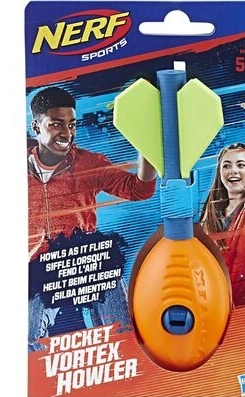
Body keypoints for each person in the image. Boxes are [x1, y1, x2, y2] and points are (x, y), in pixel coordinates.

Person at [28, 86, 157, 351]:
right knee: (28, 343)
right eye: (56, 124)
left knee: (123, 333)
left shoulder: (88, 163)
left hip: (86, 259)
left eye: (72, 125)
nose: (67, 133)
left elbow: (139, 189)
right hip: (35, 264)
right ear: (36, 126)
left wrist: (147, 142)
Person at [200, 80, 245, 307]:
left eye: (241, 165)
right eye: (227, 165)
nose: (233, 171)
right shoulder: (209, 218)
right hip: (220, 307)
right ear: (219, 173)